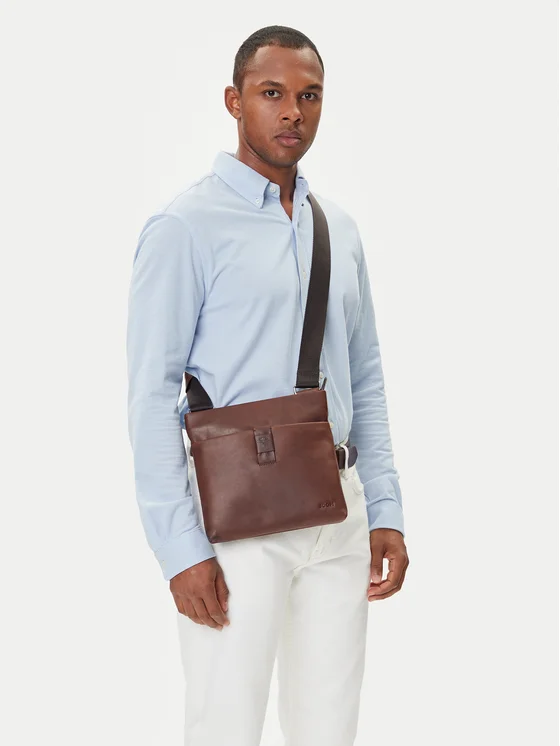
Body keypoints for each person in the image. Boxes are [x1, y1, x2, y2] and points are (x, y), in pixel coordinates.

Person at [126, 24, 409, 746]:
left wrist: (385, 508)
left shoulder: (339, 228)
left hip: (337, 508)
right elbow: (150, 394)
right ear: (235, 100)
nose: (292, 112)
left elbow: (366, 377)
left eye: (309, 96)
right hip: (237, 519)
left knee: (329, 729)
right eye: (272, 93)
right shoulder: (186, 226)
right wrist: (180, 549)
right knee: (224, 725)